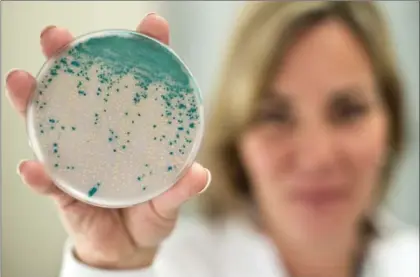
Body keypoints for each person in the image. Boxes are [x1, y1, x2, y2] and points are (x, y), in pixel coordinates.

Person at [5, 2, 419, 277]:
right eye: (274, 115)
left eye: (348, 110)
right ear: (237, 137)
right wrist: (112, 266)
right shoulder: (170, 266)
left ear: (392, 120)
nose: (317, 156)